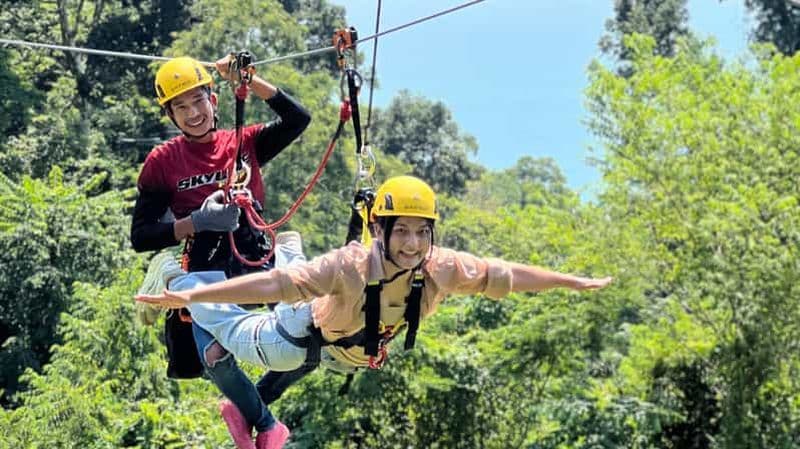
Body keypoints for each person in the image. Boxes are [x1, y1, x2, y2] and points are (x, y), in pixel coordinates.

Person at [136, 175, 614, 446]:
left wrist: (571, 282)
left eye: (421, 232)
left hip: (333, 350)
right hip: (293, 337)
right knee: (239, 327)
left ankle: (286, 243)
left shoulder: (442, 267)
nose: (412, 244)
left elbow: (505, 273)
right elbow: (278, 285)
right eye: (400, 231)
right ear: (379, 230)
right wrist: (190, 300)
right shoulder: (350, 264)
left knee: (299, 297)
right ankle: (176, 278)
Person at [131, 54, 310, 449]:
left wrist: (251, 80)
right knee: (212, 355)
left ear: (214, 98)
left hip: (254, 252)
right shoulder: (163, 162)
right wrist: (195, 222)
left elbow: (298, 119)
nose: (192, 113)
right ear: (170, 114)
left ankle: (253, 407)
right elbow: (141, 235)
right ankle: (265, 423)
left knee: (310, 340)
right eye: (181, 106)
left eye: (198, 101)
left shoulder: (243, 141)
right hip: (205, 262)